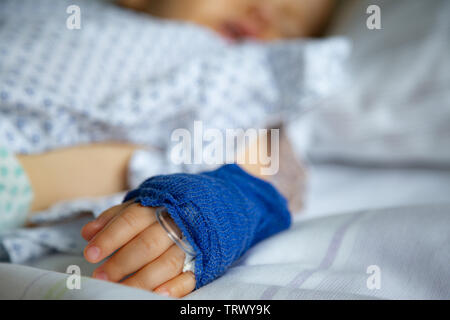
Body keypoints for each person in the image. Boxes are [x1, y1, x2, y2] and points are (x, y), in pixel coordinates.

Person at [0, 0, 335, 297]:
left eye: (289, 21)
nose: (264, 11)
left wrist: (214, 208)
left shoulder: (245, 74)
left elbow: (264, 183)